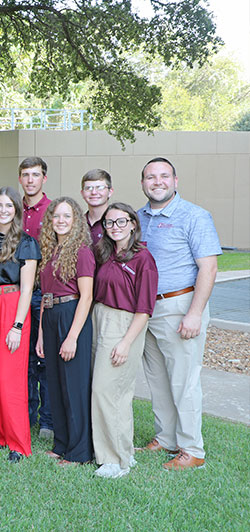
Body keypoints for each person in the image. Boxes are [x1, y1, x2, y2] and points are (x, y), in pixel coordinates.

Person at [137, 157, 220, 471]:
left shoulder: (195, 216)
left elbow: (208, 268)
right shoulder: (137, 217)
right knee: (157, 379)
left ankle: (192, 449)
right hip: (146, 309)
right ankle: (166, 437)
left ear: (175, 180)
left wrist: (194, 313)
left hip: (179, 306)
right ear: (143, 182)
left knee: (184, 381)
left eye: (163, 176)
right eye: (150, 177)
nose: (157, 182)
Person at [91, 202, 158, 478]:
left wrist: (126, 342)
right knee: (114, 392)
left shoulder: (143, 259)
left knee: (107, 390)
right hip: (100, 317)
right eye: (109, 223)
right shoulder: (104, 253)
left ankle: (114, 460)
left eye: (121, 222)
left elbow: (144, 309)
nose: (114, 227)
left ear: (133, 223)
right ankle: (124, 452)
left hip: (125, 324)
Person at [0, 187, 40, 463]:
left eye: (8, 206)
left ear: (17, 210)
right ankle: (1, 436)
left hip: (11, 307)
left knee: (10, 378)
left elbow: (27, 289)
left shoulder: (26, 243)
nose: (3, 210)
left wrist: (17, 325)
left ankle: (19, 443)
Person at [36, 196, 95, 466]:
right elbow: (44, 295)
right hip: (49, 316)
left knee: (74, 387)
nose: (60, 221)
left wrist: (72, 337)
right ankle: (61, 444)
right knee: (57, 385)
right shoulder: (49, 251)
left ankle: (79, 451)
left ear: (76, 221)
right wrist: (39, 334)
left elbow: (86, 297)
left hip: (71, 317)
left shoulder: (81, 251)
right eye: (56, 216)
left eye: (66, 216)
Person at [18, 156, 53, 439]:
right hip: (16, 294)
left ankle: (48, 421)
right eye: (26, 175)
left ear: (44, 178)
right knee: (23, 359)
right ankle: (26, 416)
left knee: (44, 358)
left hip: (44, 292)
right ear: (20, 179)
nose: (30, 180)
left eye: (36, 175)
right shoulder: (11, 209)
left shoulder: (53, 211)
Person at [80, 169, 113, 246]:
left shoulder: (118, 224)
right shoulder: (77, 224)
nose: (94, 192)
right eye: (89, 188)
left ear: (110, 192)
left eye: (100, 187)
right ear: (82, 193)